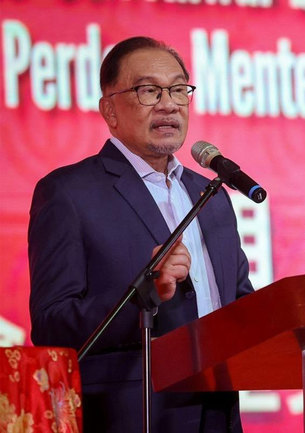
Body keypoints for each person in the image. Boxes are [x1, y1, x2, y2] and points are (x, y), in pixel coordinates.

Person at [28, 36, 254, 432]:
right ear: (109, 110)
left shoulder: (212, 196)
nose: (168, 103)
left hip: (220, 412)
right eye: (148, 90)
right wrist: (145, 291)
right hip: (135, 413)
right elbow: (51, 325)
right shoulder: (69, 193)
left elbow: (238, 304)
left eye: (179, 89)